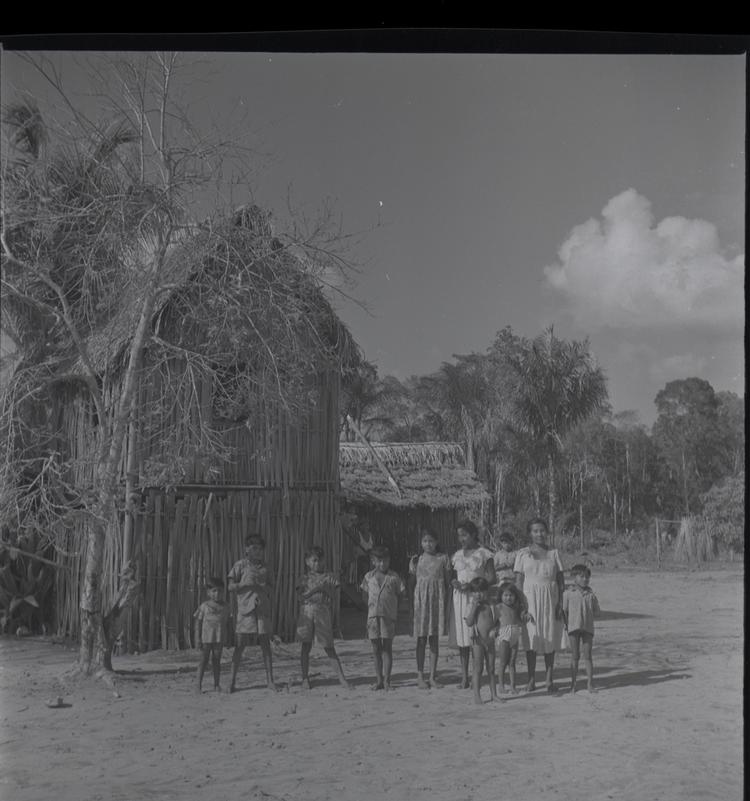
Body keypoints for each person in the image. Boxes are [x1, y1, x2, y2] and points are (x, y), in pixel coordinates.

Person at [514, 518, 565, 693]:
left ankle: (549, 680)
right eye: (535, 531)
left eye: (542, 530)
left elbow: (560, 580)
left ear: (547, 532)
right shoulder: (522, 554)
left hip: (551, 599)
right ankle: (531, 680)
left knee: (550, 637)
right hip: (529, 600)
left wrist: (560, 604)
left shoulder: (554, 553)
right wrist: (521, 605)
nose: (539, 534)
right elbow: (519, 581)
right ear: (530, 533)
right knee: (531, 639)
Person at [448, 519, 496, 689]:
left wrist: (475, 585)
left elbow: (492, 577)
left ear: (473, 534)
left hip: (477, 598)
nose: (462, 539)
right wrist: (455, 583)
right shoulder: (457, 555)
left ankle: (479, 672)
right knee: (462, 638)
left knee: (476, 636)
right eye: (459, 536)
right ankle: (464, 676)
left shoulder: (484, 553)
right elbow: (455, 576)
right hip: (460, 599)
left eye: (465, 535)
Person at [295, 545, 351, 690]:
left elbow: (334, 594)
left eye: (320, 561)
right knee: (305, 646)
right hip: (306, 612)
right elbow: (300, 597)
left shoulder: (329, 577)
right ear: (307, 562)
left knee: (329, 647)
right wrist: (316, 590)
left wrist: (324, 589)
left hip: (323, 611)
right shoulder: (304, 578)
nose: (317, 564)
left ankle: (342, 679)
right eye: (314, 561)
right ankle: (305, 678)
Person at [227, 534, 276, 693]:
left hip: (262, 610)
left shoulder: (266, 568)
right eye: (254, 548)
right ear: (246, 549)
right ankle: (232, 682)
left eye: (261, 549)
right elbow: (230, 586)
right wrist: (243, 584)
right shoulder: (240, 565)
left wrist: (262, 587)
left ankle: (270, 681)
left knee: (265, 646)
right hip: (245, 611)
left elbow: (271, 587)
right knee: (240, 646)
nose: (258, 552)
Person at [409, 529, 451, 689]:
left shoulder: (443, 558)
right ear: (421, 542)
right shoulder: (415, 560)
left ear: (437, 542)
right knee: (421, 640)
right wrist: (412, 608)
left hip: (437, 603)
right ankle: (420, 676)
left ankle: (433, 676)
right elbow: (411, 583)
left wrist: (447, 604)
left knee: (433, 640)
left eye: (431, 541)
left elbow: (448, 582)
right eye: (425, 541)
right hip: (421, 604)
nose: (428, 544)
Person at [360, 545, 406, 691]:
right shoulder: (368, 577)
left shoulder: (394, 577)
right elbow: (364, 595)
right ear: (373, 561)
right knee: (375, 649)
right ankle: (379, 680)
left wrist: (393, 612)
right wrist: (371, 608)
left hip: (388, 618)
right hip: (372, 618)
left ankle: (387, 681)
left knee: (387, 649)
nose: (383, 564)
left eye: (385, 561)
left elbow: (401, 595)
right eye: (379, 561)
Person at [562, 563, 601, 693]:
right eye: (582, 576)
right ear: (574, 577)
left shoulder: (591, 594)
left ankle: (590, 683)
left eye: (587, 577)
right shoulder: (568, 593)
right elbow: (564, 611)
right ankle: (573, 684)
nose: (585, 579)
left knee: (588, 656)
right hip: (573, 628)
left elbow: (597, 611)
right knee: (575, 656)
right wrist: (566, 625)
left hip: (588, 629)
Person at [462, 577, 500, 704]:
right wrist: (474, 608)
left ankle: (494, 694)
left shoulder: (491, 605)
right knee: (478, 668)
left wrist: (496, 629)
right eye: (475, 591)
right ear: (471, 593)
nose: (478, 594)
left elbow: (497, 621)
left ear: (487, 591)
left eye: (481, 591)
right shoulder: (471, 606)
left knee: (491, 668)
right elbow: (469, 622)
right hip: (477, 641)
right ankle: (477, 696)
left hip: (490, 641)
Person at [494, 581, 532, 694]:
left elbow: (522, 616)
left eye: (511, 595)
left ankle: (513, 686)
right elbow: (494, 621)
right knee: (503, 662)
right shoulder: (498, 607)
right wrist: (494, 629)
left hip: (515, 633)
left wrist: (527, 615)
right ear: (501, 596)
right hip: (504, 634)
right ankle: (501, 685)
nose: (508, 598)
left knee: (512, 662)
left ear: (515, 596)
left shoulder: (517, 607)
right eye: (505, 595)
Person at [193, 577, 229, 693]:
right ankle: (198, 685)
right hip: (206, 638)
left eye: (220, 591)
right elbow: (198, 622)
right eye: (214, 591)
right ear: (208, 592)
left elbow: (228, 623)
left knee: (217, 660)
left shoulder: (226, 607)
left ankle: (216, 685)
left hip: (219, 638)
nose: (217, 593)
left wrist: (227, 637)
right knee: (203, 660)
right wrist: (197, 638)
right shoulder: (204, 606)